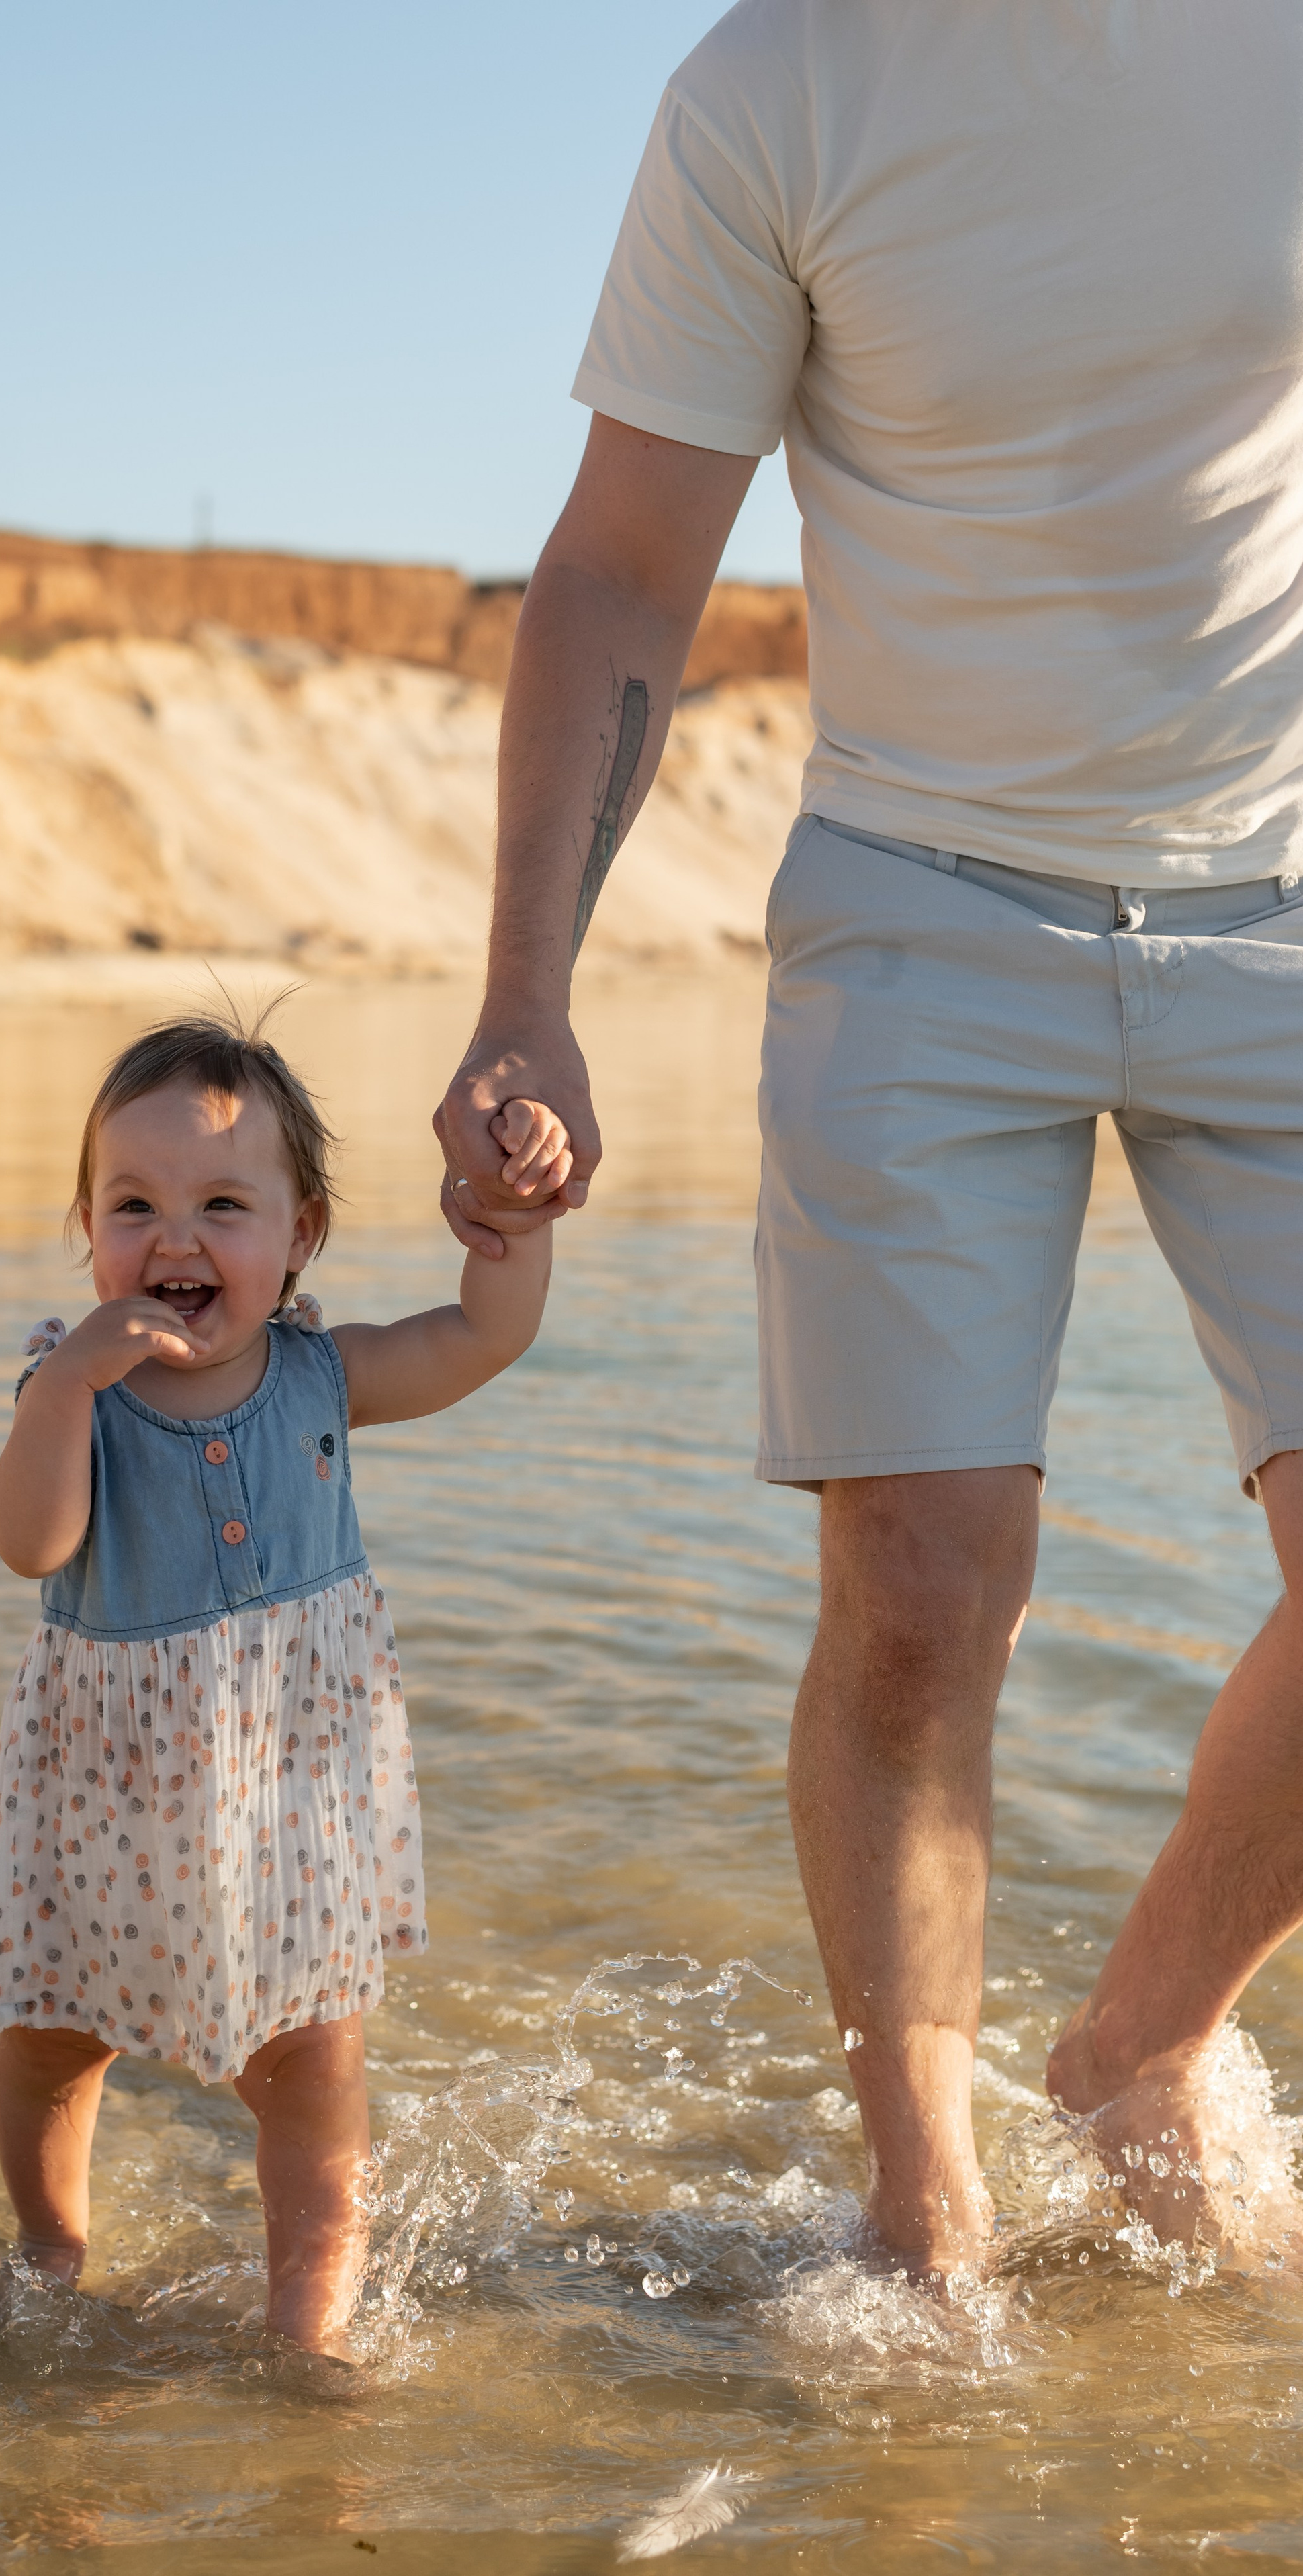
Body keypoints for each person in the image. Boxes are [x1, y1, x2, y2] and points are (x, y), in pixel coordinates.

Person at [435, 0, 1303, 2281]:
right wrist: (531, 992)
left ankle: (1137, 2043)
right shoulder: (774, 89)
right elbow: (627, 563)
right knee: (920, 1592)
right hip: (923, 901)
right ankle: (929, 2231)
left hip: (1293, 898)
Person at [0, 1011, 570, 2352]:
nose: (174, 1238)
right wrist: (64, 1385)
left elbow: (482, 1336)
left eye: (222, 1204)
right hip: (105, 1796)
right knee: (55, 2038)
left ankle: (309, 2317)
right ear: (86, 1226)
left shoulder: (322, 1374)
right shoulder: (77, 1391)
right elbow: (28, 1543)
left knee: (309, 2058)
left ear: (301, 1236)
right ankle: (51, 2246)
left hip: (291, 1795)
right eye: (135, 1204)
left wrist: (513, 1223)